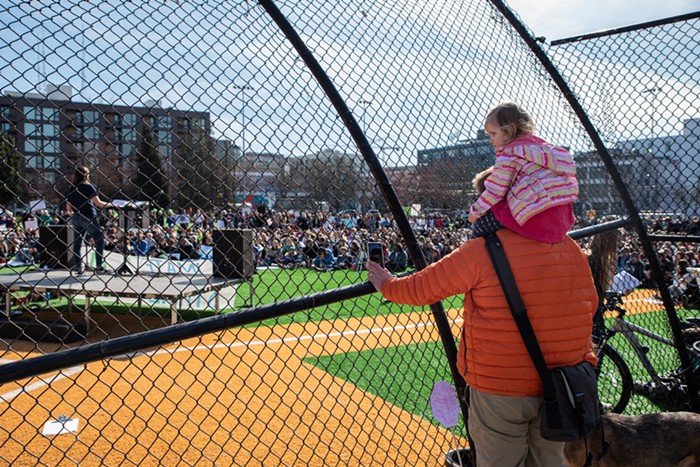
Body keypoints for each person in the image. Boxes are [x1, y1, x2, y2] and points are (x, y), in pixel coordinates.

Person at [366, 229, 598, 467]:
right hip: (559, 383)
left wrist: (387, 284)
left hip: (499, 384)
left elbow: (422, 287)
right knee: (547, 461)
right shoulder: (568, 245)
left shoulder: (483, 248)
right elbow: (590, 304)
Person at [468, 102, 578, 243]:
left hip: (535, 220)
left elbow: (495, 192)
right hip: (561, 220)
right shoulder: (542, 150)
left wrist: (474, 212)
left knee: (481, 225)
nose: (491, 140)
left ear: (509, 131)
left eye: (493, 134)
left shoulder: (509, 154)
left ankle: (481, 259)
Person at [66, 166, 115, 275]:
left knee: (77, 242)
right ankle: (98, 266)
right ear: (86, 175)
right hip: (88, 216)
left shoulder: (72, 188)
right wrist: (113, 204)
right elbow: (98, 203)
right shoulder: (89, 187)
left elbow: (68, 209)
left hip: (76, 217)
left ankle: (79, 267)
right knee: (99, 240)